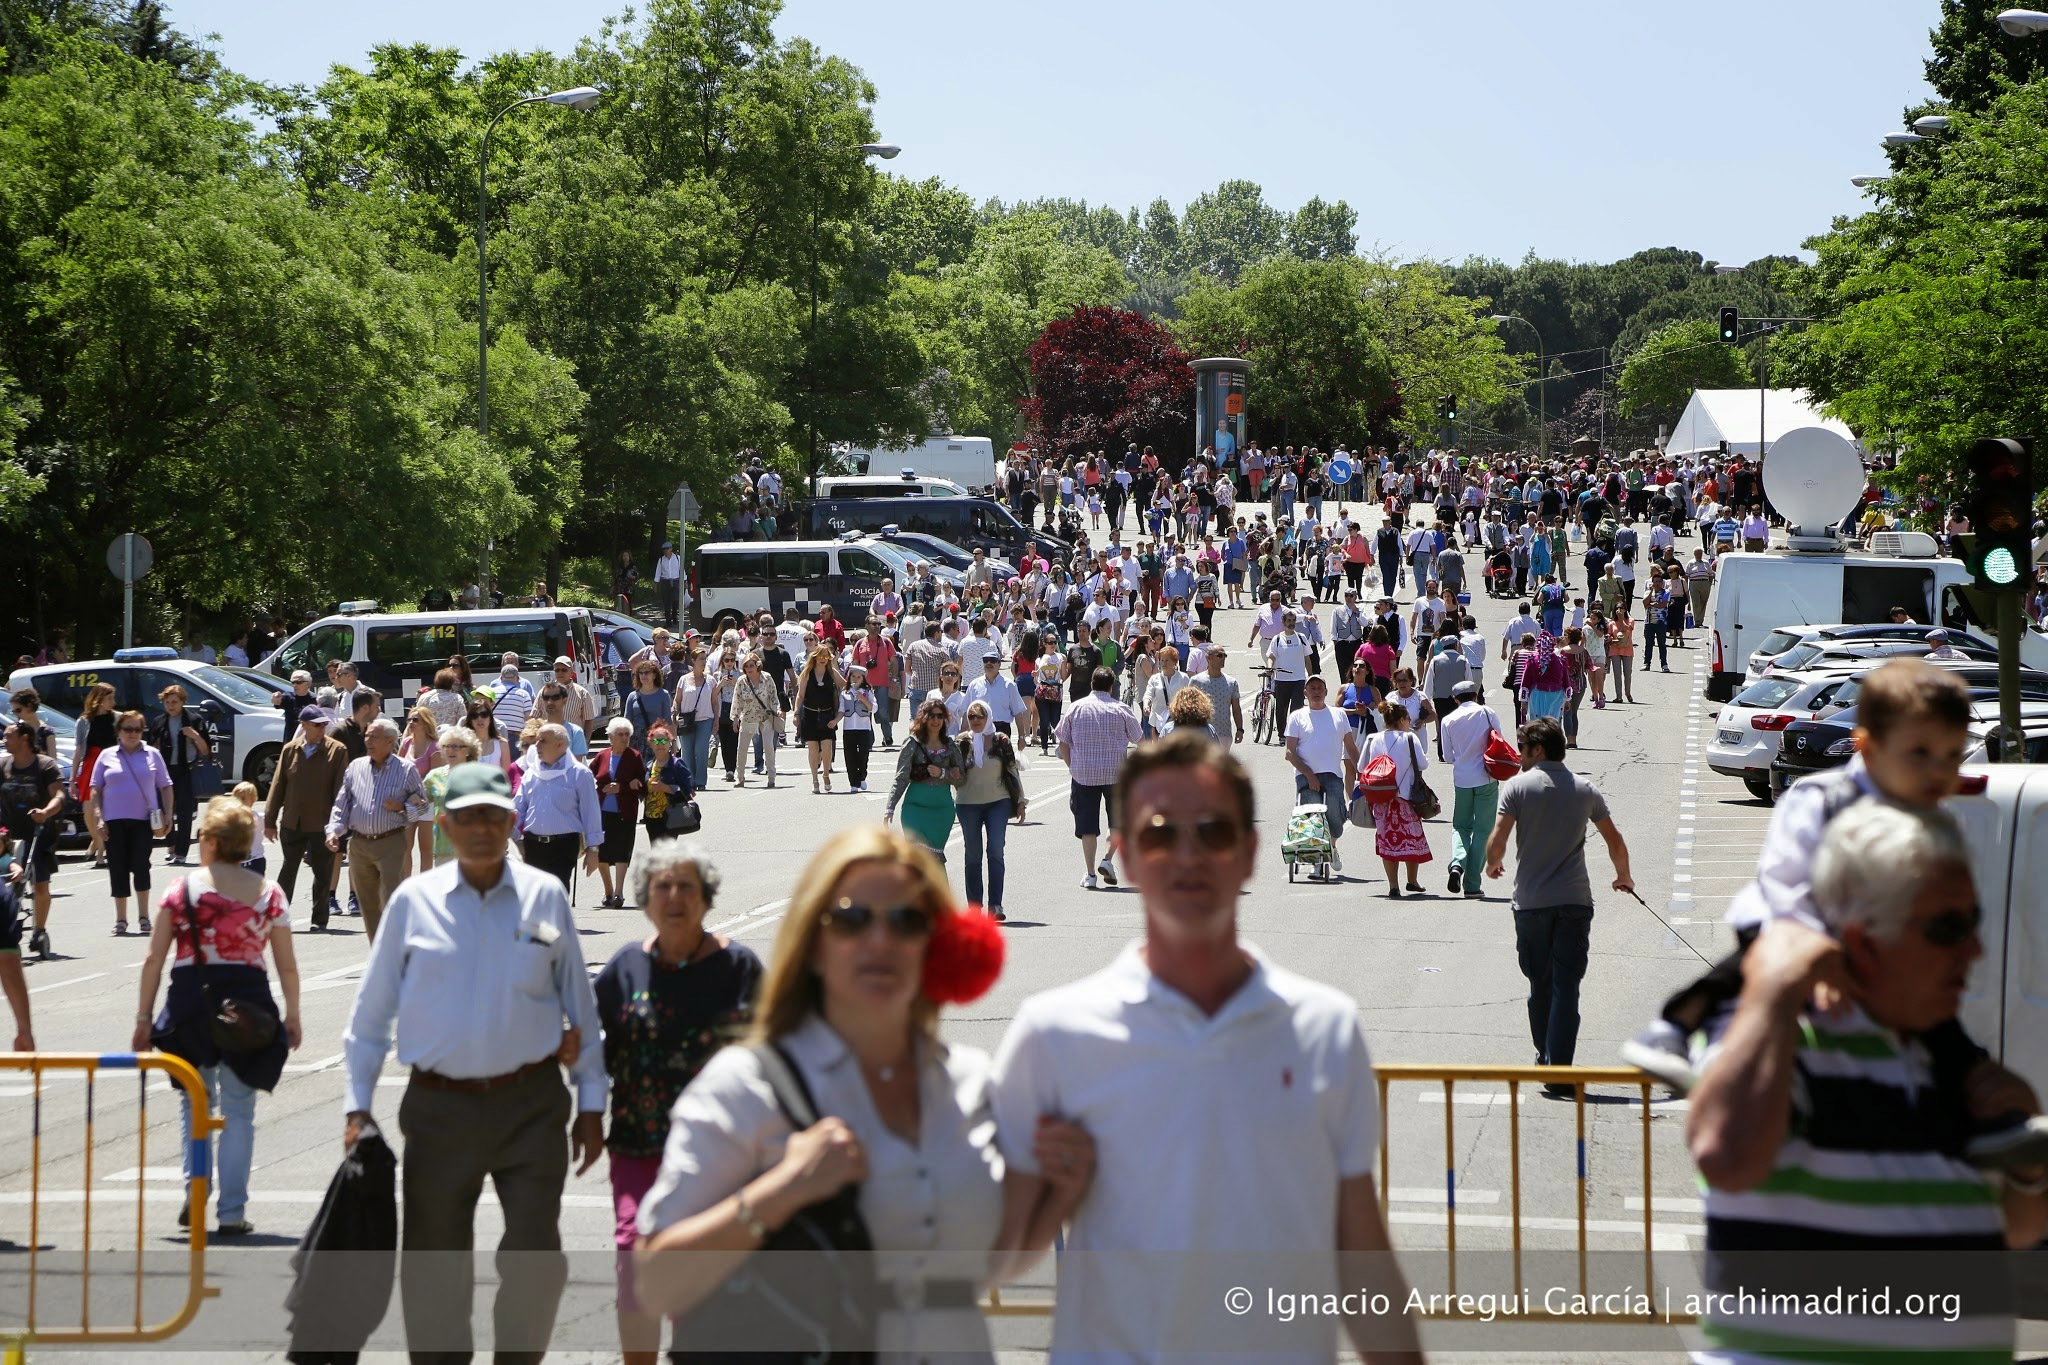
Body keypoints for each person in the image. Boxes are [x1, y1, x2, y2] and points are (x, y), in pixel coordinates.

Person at [988, 732, 1421, 1361]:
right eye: (1161, 835)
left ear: (1249, 854)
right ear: (1125, 856)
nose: (1188, 855)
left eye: (1213, 833)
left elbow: (1361, 1259)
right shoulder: (1053, 1034)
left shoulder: (1325, 1029)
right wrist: (1050, 1199)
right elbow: (993, 1255)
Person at [634, 826, 1092, 1356]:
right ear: (813, 944)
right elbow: (655, 1283)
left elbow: (973, 1268)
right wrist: (782, 1190)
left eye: (907, 921)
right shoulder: (748, 1086)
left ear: (939, 948)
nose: (881, 941)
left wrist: (1056, 1193)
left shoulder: (968, 1080)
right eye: (851, 920)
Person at [1685, 803, 2047, 1360]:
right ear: (1863, 939)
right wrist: (1773, 985)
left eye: (1972, 923)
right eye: (1949, 928)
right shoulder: (1778, 1038)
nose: (1974, 950)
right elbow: (1726, 1157)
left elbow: (2013, 1231)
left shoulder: (1945, 1058)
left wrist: (2026, 1170)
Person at [341, 762, 606, 1363]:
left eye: (493, 815)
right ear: (444, 825)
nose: (482, 828)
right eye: (467, 818)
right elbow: (370, 1013)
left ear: (513, 822)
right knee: (435, 1263)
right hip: (440, 1109)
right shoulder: (413, 902)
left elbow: (580, 1009)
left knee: (537, 1256)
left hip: (532, 1105)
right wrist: (357, 1105)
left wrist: (591, 1105)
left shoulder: (544, 896)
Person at [593, 842, 762, 1364]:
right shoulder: (624, 967)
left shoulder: (739, 968)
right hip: (638, 1143)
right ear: (645, 899)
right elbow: (596, 1050)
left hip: (720, 1153)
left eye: (687, 886)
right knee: (635, 1258)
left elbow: (773, 1059)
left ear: (707, 898)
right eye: (663, 886)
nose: (674, 897)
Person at [131, 796, 301, 1236]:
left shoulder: (181, 889)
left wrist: (144, 1017)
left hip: (191, 1000)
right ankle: (231, 1212)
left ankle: (196, 1187)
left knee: (195, 1102)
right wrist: (294, 1013)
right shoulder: (269, 893)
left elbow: (154, 959)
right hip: (248, 1000)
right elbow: (286, 964)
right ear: (246, 843)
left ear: (208, 839)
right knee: (240, 1111)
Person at [1484, 718, 1633, 1088]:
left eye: (1523, 747)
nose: (1519, 754)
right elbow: (1614, 840)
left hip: (1531, 904)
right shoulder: (1585, 789)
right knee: (1567, 987)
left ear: (1538, 749)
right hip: (1574, 902)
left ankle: (1545, 1056)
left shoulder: (1517, 787)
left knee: (1541, 984)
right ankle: (1559, 1067)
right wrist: (1623, 877)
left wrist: (1492, 863)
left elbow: (1498, 838)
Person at [324, 718, 429, 941]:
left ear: (391, 741)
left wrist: (402, 806)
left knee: (391, 901)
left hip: (391, 843)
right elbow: (342, 803)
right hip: (359, 845)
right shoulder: (356, 767)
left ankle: (399, 950)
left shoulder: (406, 770)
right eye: (367, 736)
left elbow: (423, 807)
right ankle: (379, 956)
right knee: (369, 906)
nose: (368, 741)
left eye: (374, 737)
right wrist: (334, 830)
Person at [87, 710, 173, 936]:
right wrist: (98, 816)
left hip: (143, 820)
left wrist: (168, 813)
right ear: (119, 731)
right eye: (128, 729)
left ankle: (144, 916)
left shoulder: (152, 754)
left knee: (141, 865)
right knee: (117, 867)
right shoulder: (106, 755)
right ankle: (121, 919)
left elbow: (166, 785)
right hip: (113, 820)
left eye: (137, 729)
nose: (133, 734)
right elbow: (95, 789)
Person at [1057, 666, 1143, 891]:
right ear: (1111, 686)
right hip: (1116, 774)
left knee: (1087, 827)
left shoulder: (1075, 708)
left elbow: (1063, 742)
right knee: (1118, 822)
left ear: (1092, 684)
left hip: (1083, 774)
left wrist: (1071, 765)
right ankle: (1107, 859)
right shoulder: (1122, 709)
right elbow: (1141, 742)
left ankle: (1090, 873)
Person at [954, 700, 1024, 921]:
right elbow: (952, 772)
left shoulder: (1000, 740)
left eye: (979, 716)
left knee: (995, 851)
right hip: (968, 804)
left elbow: (1012, 770)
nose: (975, 721)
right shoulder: (961, 742)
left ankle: (995, 905)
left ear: (988, 717)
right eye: (971, 717)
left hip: (998, 802)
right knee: (973, 856)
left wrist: (1020, 800)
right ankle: (974, 908)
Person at [1, 722, 64, 959]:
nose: (4, 740)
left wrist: (46, 812)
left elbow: (58, 794)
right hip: (7, 836)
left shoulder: (44, 765)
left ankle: (39, 930)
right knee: (8, 885)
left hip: (38, 833)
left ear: (25, 738)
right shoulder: (3, 765)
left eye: (9, 736)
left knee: (39, 885)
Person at [1438, 680, 1507, 899]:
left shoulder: (1448, 720)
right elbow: (1500, 741)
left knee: (1460, 827)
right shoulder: (1487, 712)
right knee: (1483, 830)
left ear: (1455, 699)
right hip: (1486, 777)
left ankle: (1457, 863)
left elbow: (1448, 756)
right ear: (1475, 695)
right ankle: (1472, 883)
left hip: (1462, 779)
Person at [1360, 699, 1433, 897]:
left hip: (1381, 799)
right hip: (1406, 798)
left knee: (1387, 842)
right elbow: (1423, 765)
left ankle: (1393, 885)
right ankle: (1413, 881)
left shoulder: (1372, 739)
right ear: (1401, 719)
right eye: (1408, 718)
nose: (1409, 722)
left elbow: (1361, 767)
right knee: (1411, 840)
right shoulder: (1410, 739)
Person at [147, 684, 219, 867]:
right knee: (164, 810)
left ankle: (181, 852)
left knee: (185, 813)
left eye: (174, 702)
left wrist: (195, 736)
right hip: (164, 771)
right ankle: (170, 846)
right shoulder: (158, 721)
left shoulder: (194, 720)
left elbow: (205, 751)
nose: (171, 706)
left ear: (182, 702)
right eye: (167, 702)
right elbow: (150, 749)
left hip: (186, 770)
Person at [886, 697, 965, 860]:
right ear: (923, 718)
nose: (935, 720)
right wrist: (890, 808)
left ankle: (936, 887)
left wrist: (943, 773)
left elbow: (961, 780)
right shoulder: (912, 743)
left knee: (934, 861)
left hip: (941, 811)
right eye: (931, 716)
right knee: (916, 859)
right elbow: (901, 777)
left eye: (939, 716)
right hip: (914, 809)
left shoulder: (951, 746)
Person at [562, 718, 631, 905]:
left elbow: (640, 784)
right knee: (603, 852)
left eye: (627, 735)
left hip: (626, 812)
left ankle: (618, 892)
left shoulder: (634, 757)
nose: (625, 739)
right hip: (601, 810)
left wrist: (622, 788)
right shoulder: (601, 756)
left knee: (622, 852)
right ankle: (608, 889)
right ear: (610, 737)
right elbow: (587, 776)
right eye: (620, 735)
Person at [74, 680, 117, 867]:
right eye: (109, 698)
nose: (112, 702)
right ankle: (96, 841)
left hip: (110, 764)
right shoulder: (84, 721)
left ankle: (101, 853)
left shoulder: (117, 718)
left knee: (104, 810)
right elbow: (78, 750)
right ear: (98, 700)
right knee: (88, 811)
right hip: (91, 764)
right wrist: (72, 776)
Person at [729, 655, 785, 789]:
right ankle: (740, 777)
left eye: (751, 665)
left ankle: (771, 777)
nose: (749, 669)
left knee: (768, 747)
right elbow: (737, 700)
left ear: (757, 665)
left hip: (765, 717)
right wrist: (735, 717)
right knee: (742, 749)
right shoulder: (742, 681)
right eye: (746, 666)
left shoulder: (766, 678)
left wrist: (777, 709)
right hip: (748, 717)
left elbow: (773, 696)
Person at [640, 721, 696, 849]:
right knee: (656, 853)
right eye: (656, 741)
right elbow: (643, 790)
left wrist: (665, 788)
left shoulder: (677, 764)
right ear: (651, 743)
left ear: (670, 743)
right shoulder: (649, 765)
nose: (660, 745)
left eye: (664, 741)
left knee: (667, 854)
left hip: (671, 815)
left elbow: (687, 791)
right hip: (651, 817)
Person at [838, 662, 879, 793]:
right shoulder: (845, 693)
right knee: (850, 756)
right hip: (849, 729)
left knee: (863, 755)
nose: (855, 679)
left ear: (863, 679)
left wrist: (863, 699)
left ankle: (862, 776)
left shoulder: (868, 692)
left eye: (858, 677)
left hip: (864, 729)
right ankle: (853, 782)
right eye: (853, 676)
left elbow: (874, 708)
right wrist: (835, 721)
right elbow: (841, 709)